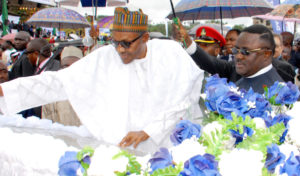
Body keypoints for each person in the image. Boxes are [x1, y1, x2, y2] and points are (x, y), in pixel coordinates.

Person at [0, 7, 203, 153]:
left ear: (145, 38)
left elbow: (183, 97)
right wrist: (7, 91)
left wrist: (149, 131)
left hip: (167, 147)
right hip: (120, 148)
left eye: (126, 43)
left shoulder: (171, 54)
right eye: (116, 42)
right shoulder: (106, 57)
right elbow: (59, 82)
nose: (120, 49)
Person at [174, 22, 283, 94]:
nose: (239, 56)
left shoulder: (278, 93)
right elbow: (212, 63)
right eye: (236, 50)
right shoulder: (239, 70)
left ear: (266, 54)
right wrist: (188, 42)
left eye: (246, 52)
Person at [42, 46, 82, 126]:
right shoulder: (52, 92)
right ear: (60, 67)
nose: (70, 69)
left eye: (74, 65)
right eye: (66, 66)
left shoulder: (92, 89)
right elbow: (47, 123)